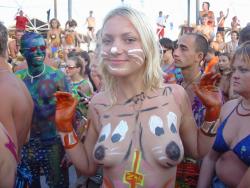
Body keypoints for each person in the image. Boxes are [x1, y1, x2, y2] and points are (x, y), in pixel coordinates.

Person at [53, 7, 222, 187]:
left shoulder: (175, 96)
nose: (115, 49)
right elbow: (88, 167)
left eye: (129, 39)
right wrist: (65, 128)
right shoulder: (99, 102)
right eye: (107, 40)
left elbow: (197, 150)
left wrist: (212, 113)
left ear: (147, 45)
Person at [15, 32, 71, 187]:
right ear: (22, 52)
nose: (39, 52)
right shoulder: (18, 78)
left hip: (53, 143)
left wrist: (70, 149)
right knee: (30, 183)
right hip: (27, 145)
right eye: (33, 49)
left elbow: (70, 115)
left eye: (42, 47)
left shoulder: (57, 76)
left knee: (58, 185)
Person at [197, 41, 250, 187]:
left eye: (243, 70)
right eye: (234, 70)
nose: (235, 76)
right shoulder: (228, 107)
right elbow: (210, 157)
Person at [0, 23, 33, 187]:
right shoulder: (17, 82)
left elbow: (7, 157)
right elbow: (25, 138)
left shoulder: (2, 89)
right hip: (20, 171)